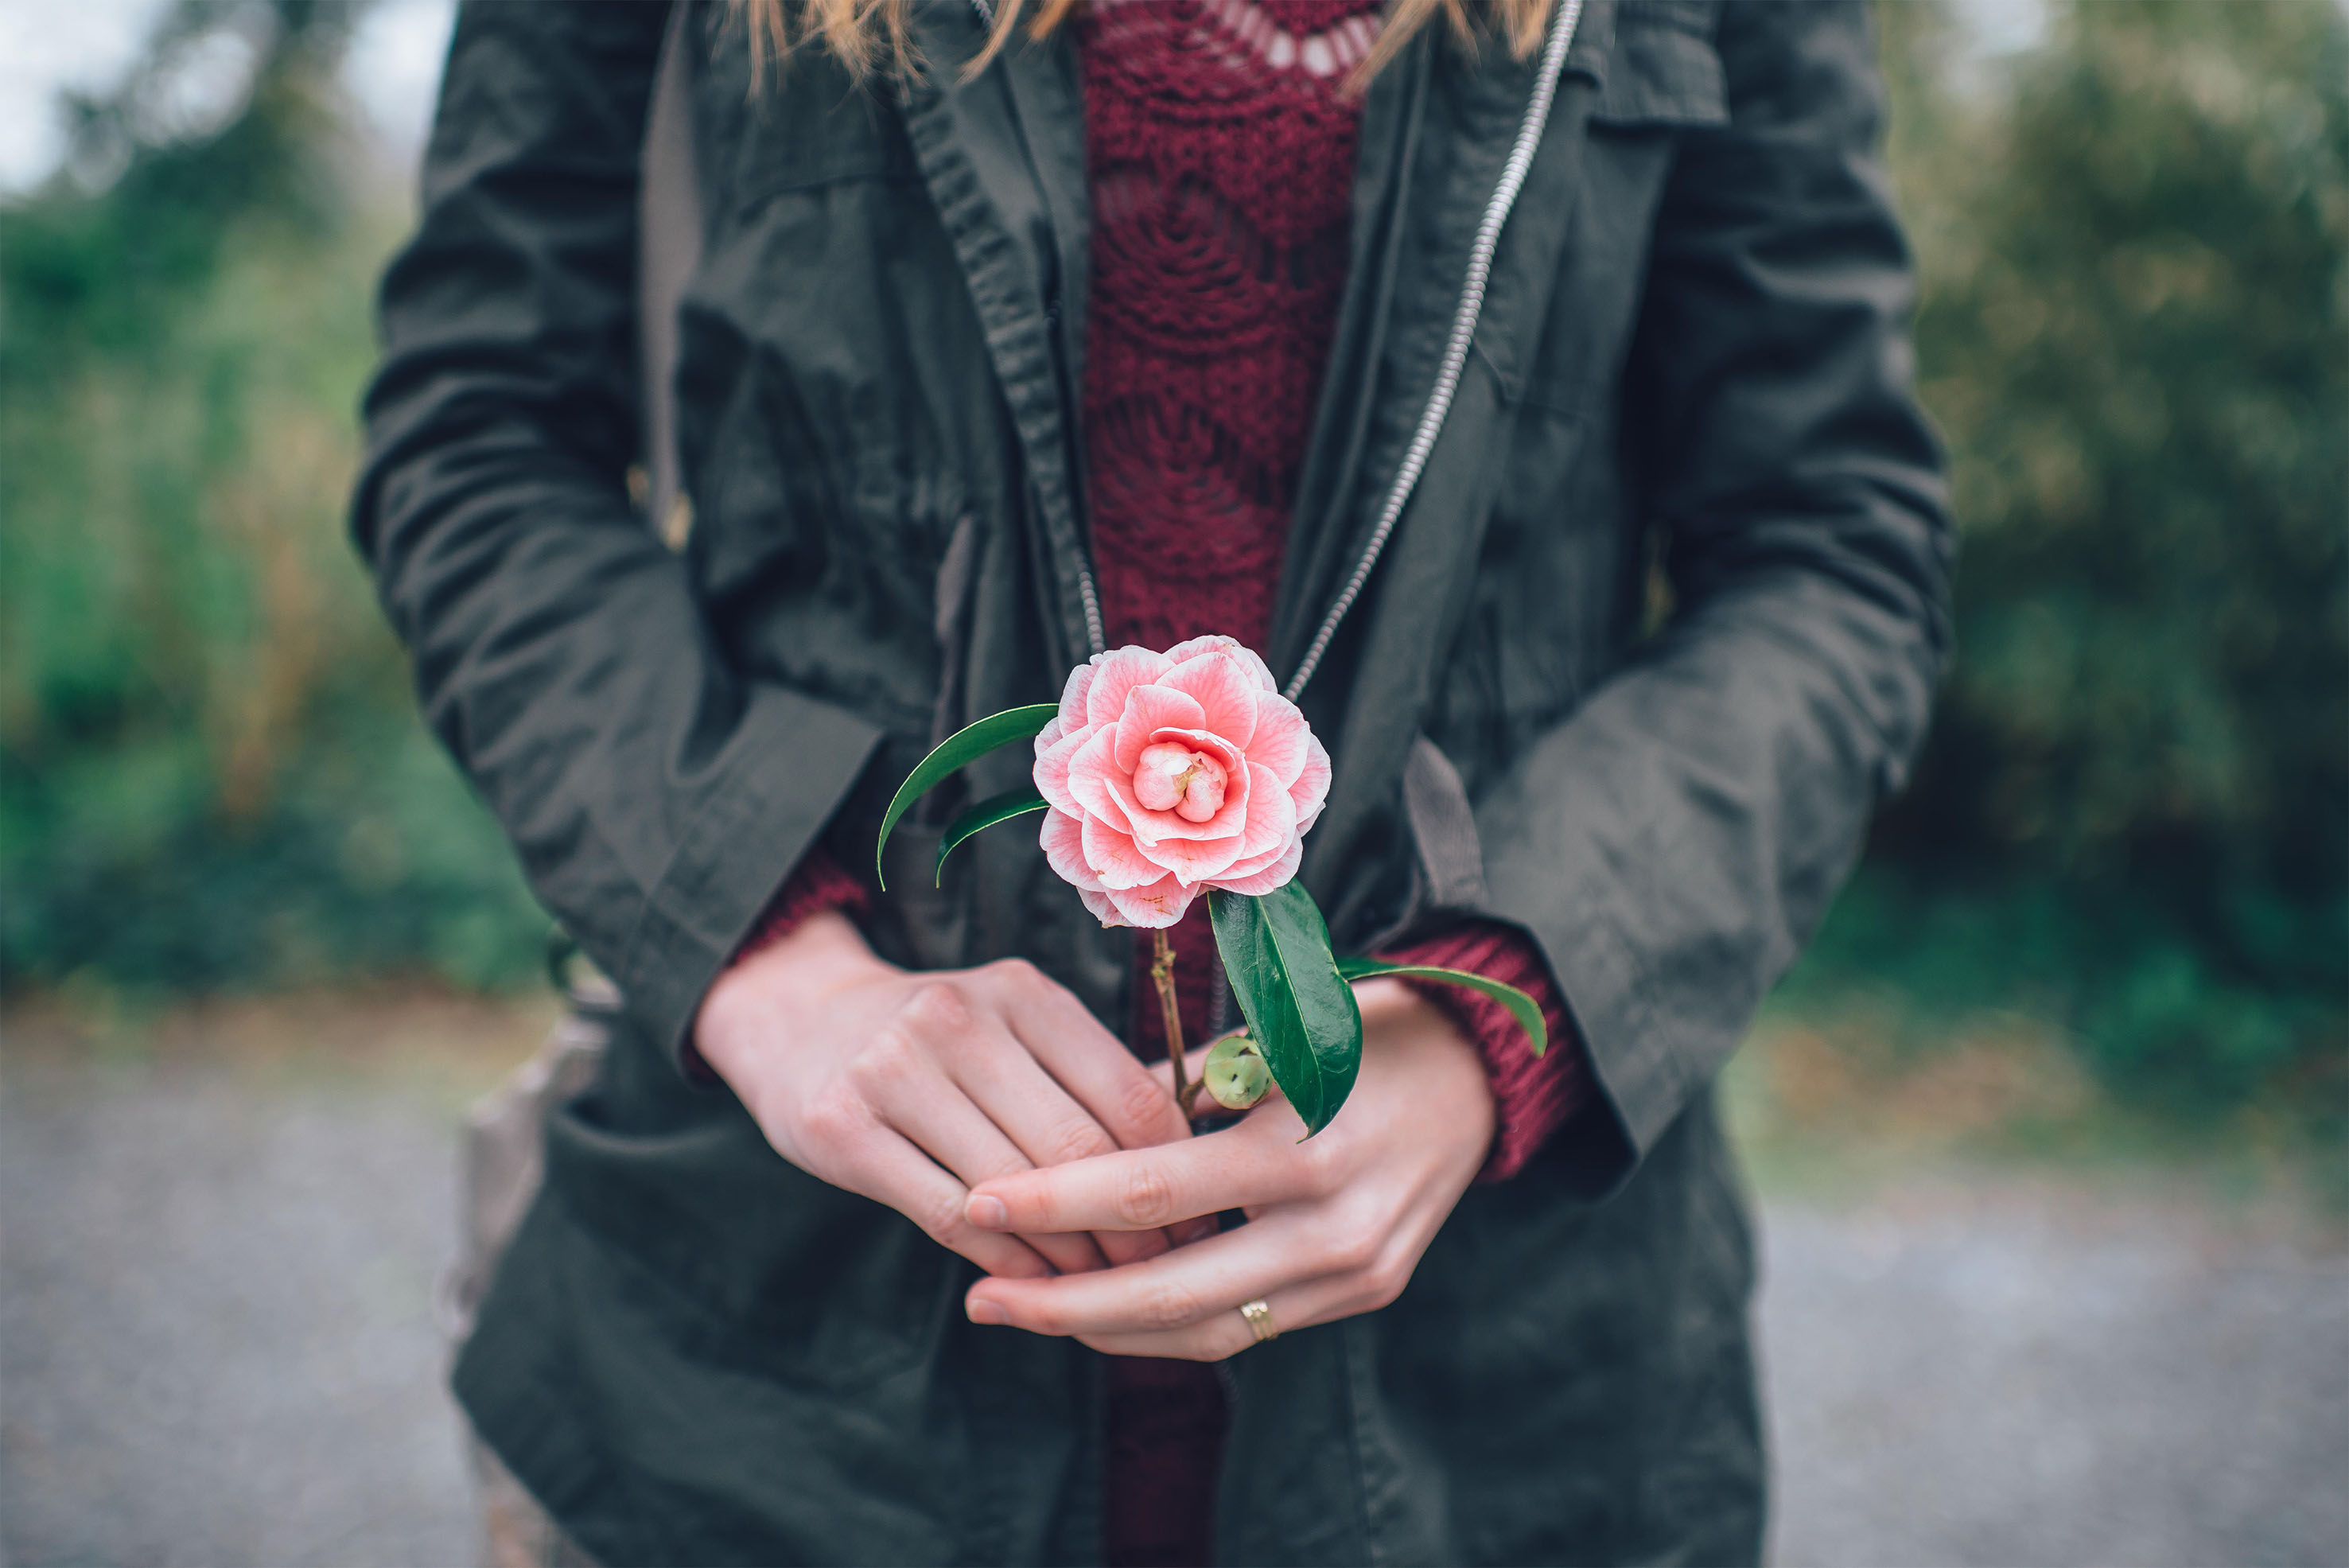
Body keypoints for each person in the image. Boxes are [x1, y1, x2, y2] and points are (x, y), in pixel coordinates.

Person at [354, 0, 1950, 1561]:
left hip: (1506, 1387)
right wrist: (769, 954)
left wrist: (1494, 1014)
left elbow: (1828, 551)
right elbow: (484, 434)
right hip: (784, 1369)